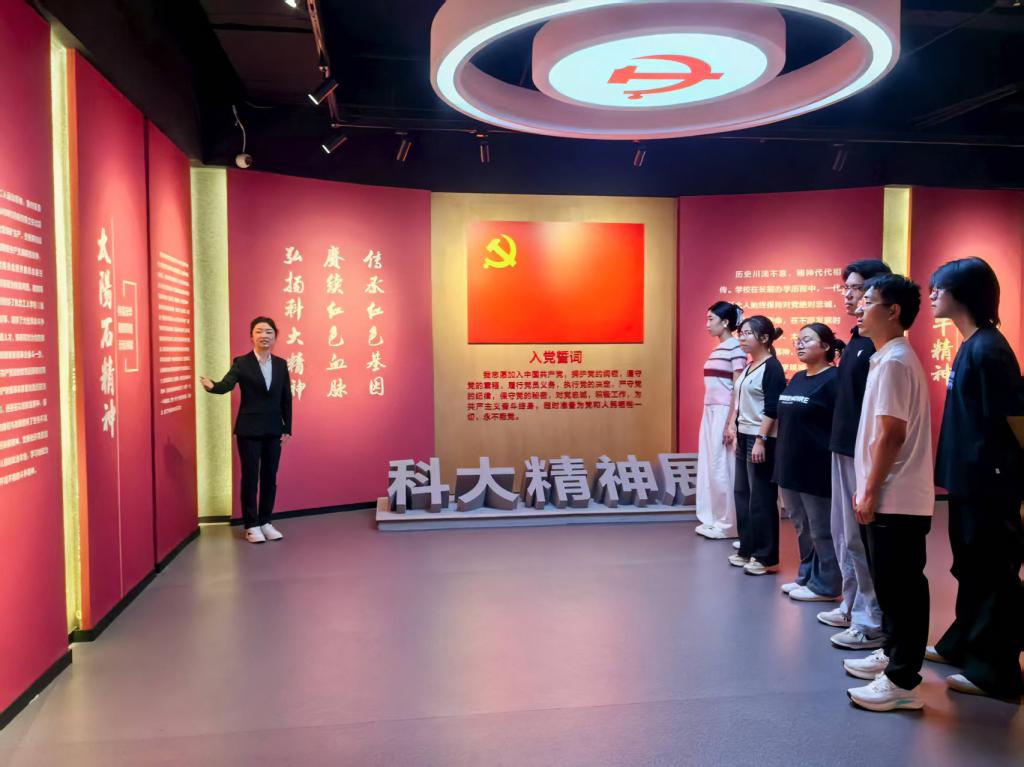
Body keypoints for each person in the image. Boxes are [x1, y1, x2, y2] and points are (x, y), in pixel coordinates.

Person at [927, 257, 1024, 701]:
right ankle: (964, 644)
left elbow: (1014, 419)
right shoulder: (971, 344)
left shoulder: (989, 350)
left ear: (962, 294)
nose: (932, 295)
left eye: (939, 288)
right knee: (970, 567)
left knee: (993, 574)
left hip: (990, 484)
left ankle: (996, 673)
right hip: (969, 481)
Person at [843, 275, 933, 712]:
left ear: (893, 311)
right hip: (887, 494)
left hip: (896, 496)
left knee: (903, 589)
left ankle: (903, 681)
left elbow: (892, 434)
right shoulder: (886, 358)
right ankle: (892, 654)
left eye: (868, 301)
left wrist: (869, 491)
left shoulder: (896, 361)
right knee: (891, 586)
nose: (859, 309)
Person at [821, 259, 893, 651]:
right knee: (843, 534)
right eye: (846, 288)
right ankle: (852, 605)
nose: (850, 296)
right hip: (842, 446)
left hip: (859, 451)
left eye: (857, 288)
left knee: (858, 538)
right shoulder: (856, 341)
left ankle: (871, 619)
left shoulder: (880, 349)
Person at [201, 316, 292, 544]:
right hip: (249, 430)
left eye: (269, 331)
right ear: (252, 335)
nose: (264, 335)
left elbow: (286, 397)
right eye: (259, 331)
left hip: (273, 429)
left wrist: (287, 427)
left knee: (270, 477)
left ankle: (266, 521)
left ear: (275, 336)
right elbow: (227, 383)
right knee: (251, 478)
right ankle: (251, 525)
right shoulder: (242, 362)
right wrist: (213, 387)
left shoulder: (281, 364)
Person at [775, 324, 843, 602]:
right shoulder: (798, 377)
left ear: (826, 347)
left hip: (816, 466)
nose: (799, 345)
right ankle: (807, 576)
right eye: (798, 340)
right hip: (789, 464)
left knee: (821, 528)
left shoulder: (835, 379)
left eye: (807, 340)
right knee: (801, 526)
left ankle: (827, 585)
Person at [728, 315, 787, 576]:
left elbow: (773, 408)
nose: (741, 338)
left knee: (761, 498)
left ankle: (764, 556)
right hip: (744, 436)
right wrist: (734, 429)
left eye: (747, 333)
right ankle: (747, 549)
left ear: (764, 338)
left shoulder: (772, 367)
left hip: (760, 438)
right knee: (742, 494)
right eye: (740, 333)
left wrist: (761, 440)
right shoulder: (750, 365)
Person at [696, 302, 748, 540]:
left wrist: (731, 422)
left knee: (722, 468)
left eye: (711, 319)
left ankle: (729, 524)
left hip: (723, 412)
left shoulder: (736, 348)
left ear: (725, 322)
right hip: (710, 412)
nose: (707, 324)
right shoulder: (720, 348)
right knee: (711, 465)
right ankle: (714, 518)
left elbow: (737, 387)